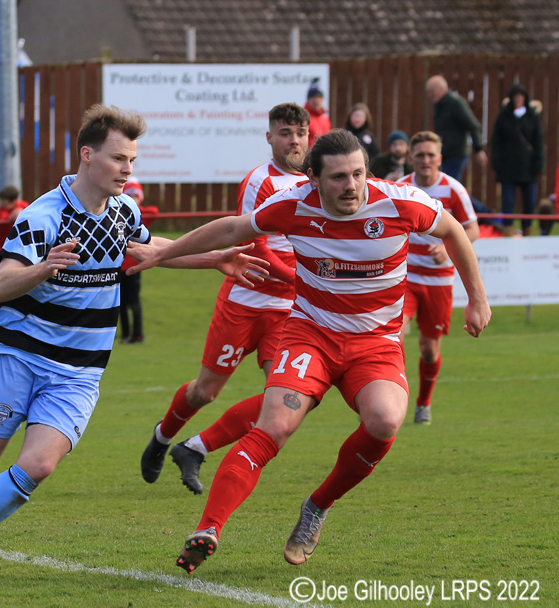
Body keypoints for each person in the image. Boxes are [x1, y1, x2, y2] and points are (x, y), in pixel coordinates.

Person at [0, 104, 264, 586]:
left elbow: (150, 252)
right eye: (119, 159)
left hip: (79, 371)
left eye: (132, 161)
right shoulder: (42, 216)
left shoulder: (123, 211)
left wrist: (214, 259)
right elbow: (1, 287)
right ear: (87, 155)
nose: (128, 170)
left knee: (39, 464)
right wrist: (43, 268)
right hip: (20, 359)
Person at [127, 129, 490, 572]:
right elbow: (231, 228)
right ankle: (208, 528)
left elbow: (453, 230)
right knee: (274, 425)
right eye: (337, 177)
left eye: (357, 174)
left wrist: (477, 297)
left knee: (385, 420)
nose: (351, 186)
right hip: (310, 335)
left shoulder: (400, 202)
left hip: (374, 343)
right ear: (313, 179)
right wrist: (161, 255)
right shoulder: (294, 204)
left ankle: (316, 506)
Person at [140, 103, 310, 494]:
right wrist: (299, 280)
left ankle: (195, 448)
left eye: (300, 133)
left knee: (285, 397)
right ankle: (163, 437)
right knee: (205, 391)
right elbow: (255, 246)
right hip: (245, 302)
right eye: (285, 133)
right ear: (269, 137)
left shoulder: (313, 184)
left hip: (286, 310)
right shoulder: (260, 181)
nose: (294, 140)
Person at [398, 131, 479, 425]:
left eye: (431, 155)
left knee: (429, 350)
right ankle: (392, 400)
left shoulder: (454, 190)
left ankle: (424, 403)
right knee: (395, 335)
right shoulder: (400, 187)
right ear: (411, 158)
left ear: (440, 159)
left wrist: (448, 250)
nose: (425, 160)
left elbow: (472, 230)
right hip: (404, 277)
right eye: (420, 155)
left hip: (438, 282)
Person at [491, 84, 544, 237]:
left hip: (527, 167)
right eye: (516, 96)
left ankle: (527, 230)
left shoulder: (532, 116)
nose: (518, 99)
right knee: (508, 202)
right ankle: (508, 231)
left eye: (521, 96)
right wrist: (497, 163)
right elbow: (496, 141)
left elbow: (538, 142)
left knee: (529, 202)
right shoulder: (504, 116)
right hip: (508, 168)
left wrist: (538, 164)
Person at [118, 175, 159, 344]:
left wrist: (133, 205)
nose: (134, 197)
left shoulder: (139, 215)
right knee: (120, 303)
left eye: (136, 194)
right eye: (130, 194)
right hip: (118, 265)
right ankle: (126, 334)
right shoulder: (120, 214)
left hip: (134, 265)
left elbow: (154, 211)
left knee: (134, 302)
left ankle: (138, 334)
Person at [425, 75, 487, 182]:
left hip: (456, 154)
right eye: (428, 92)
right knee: (446, 186)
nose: (429, 95)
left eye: (431, 91)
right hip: (444, 153)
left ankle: (466, 200)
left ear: (442, 89)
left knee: (450, 187)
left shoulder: (455, 103)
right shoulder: (438, 105)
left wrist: (478, 149)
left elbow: (473, 125)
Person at [0, 185, 29, 292]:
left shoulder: (22, 206)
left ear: (13, 201)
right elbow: (4, 220)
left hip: (9, 244)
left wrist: (20, 211)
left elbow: (29, 212)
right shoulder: (2, 210)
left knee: (13, 267)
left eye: (4, 201)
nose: (1, 204)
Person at [305, 78, 331, 148]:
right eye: (313, 97)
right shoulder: (303, 117)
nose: (316, 101)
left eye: (319, 97)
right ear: (308, 99)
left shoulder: (325, 118)